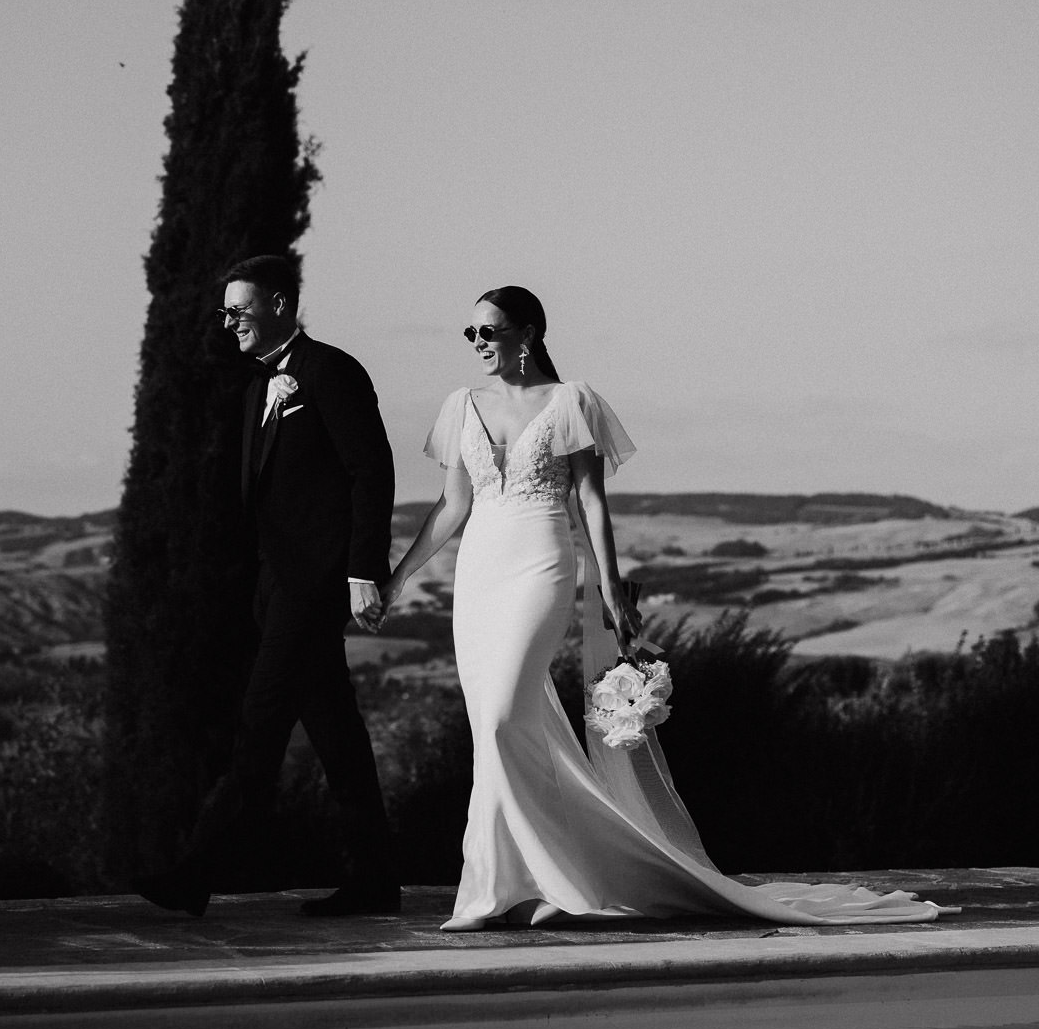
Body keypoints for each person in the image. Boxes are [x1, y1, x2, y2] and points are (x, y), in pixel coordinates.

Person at [380, 285, 940, 931]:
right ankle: (508, 885)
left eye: (489, 331)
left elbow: (591, 502)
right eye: (470, 334)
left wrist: (612, 588)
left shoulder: (569, 402)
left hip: (540, 565)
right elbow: (453, 507)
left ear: (526, 334)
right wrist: (397, 581)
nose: (476, 343)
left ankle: (545, 880)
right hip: (478, 575)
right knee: (497, 730)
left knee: (507, 717)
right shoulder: (461, 406)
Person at [137, 253, 400, 919]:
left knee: (258, 727)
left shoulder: (331, 373)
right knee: (336, 733)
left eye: (239, 310)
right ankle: (376, 881)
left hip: (313, 588)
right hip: (273, 588)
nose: (229, 323)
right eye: (225, 312)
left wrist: (363, 570)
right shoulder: (257, 388)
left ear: (280, 305)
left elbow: (371, 472)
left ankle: (194, 874)